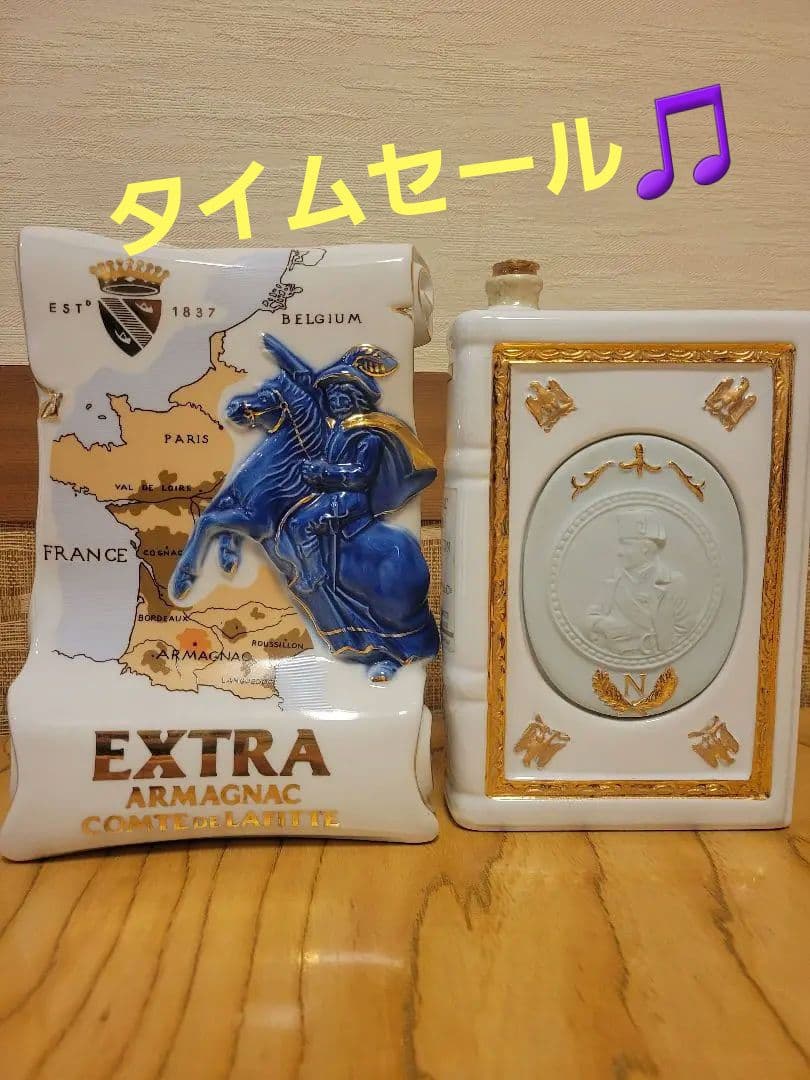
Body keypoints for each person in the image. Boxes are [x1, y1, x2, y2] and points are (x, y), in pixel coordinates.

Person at [586, 509, 692, 656]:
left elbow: (685, 633)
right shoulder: (613, 581)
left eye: (625, 544)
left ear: (645, 548)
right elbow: (590, 617)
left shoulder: (674, 582)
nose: (619, 552)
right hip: (618, 659)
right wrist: (603, 625)